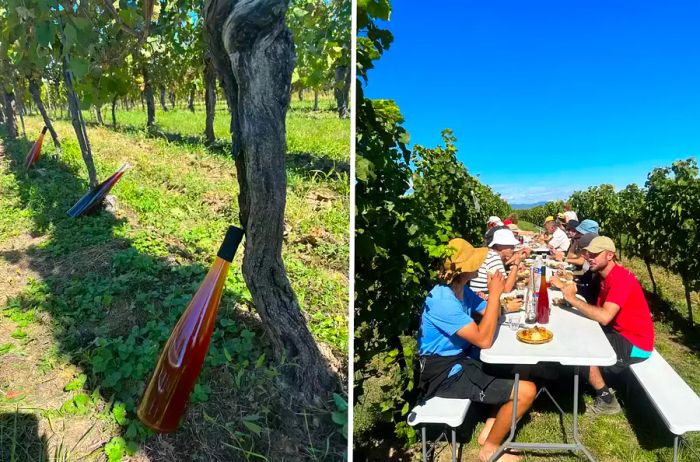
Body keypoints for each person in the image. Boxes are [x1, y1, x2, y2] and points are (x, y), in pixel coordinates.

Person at [417, 238, 537, 461]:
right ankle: (489, 450)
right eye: (475, 262)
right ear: (464, 269)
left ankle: (488, 432)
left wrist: (495, 302)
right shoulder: (443, 300)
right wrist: (494, 295)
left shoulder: (461, 289)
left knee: (521, 366)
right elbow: (484, 340)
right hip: (444, 374)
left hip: (462, 358)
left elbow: (493, 313)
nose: (480, 265)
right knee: (526, 390)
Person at [550, 236, 654, 415]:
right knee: (578, 332)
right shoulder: (604, 276)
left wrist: (572, 300)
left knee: (582, 347)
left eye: (595, 254)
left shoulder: (621, 280)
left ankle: (607, 400)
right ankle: (572, 377)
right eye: (588, 253)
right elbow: (597, 309)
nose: (590, 257)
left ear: (610, 255)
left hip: (635, 343)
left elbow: (605, 317)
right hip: (619, 332)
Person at [471, 229, 528, 297]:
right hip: (483, 298)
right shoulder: (493, 257)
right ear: (500, 245)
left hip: (476, 296)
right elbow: (506, 288)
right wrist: (517, 263)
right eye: (511, 245)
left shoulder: (488, 253)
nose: (513, 248)